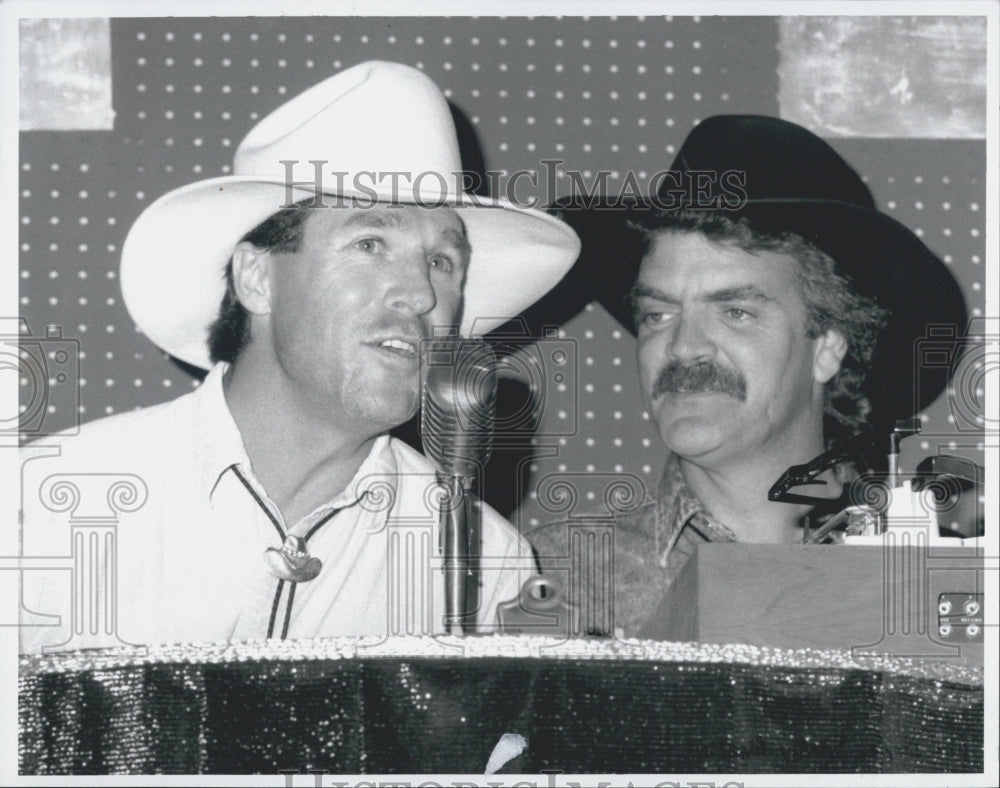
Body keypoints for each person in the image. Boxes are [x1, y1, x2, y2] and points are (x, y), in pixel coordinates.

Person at [19, 61, 579, 653]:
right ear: (257, 278)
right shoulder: (43, 509)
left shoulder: (486, 566)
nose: (421, 295)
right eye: (370, 244)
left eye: (443, 262)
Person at [529, 115, 966, 637]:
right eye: (658, 314)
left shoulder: (938, 586)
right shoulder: (556, 580)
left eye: (735, 311)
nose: (683, 346)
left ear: (827, 345)